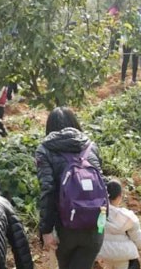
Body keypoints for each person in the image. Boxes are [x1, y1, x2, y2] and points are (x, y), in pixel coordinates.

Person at [35, 107, 106, 269]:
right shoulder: (90, 146)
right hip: (94, 225)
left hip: (66, 228)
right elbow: (102, 182)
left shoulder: (45, 150)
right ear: (75, 123)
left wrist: (46, 230)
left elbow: (48, 191)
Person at [96, 180, 141, 269]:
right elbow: (140, 243)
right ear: (119, 197)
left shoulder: (98, 213)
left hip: (103, 252)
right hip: (124, 254)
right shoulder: (128, 216)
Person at [121, 9, 141, 84]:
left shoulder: (139, 17)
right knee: (126, 59)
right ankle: (122, 78)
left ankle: (134, 79)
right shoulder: (127, 17)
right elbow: (123, 29)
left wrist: (138, 36)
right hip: (127, 41)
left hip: (136, 41)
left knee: (135, 60)